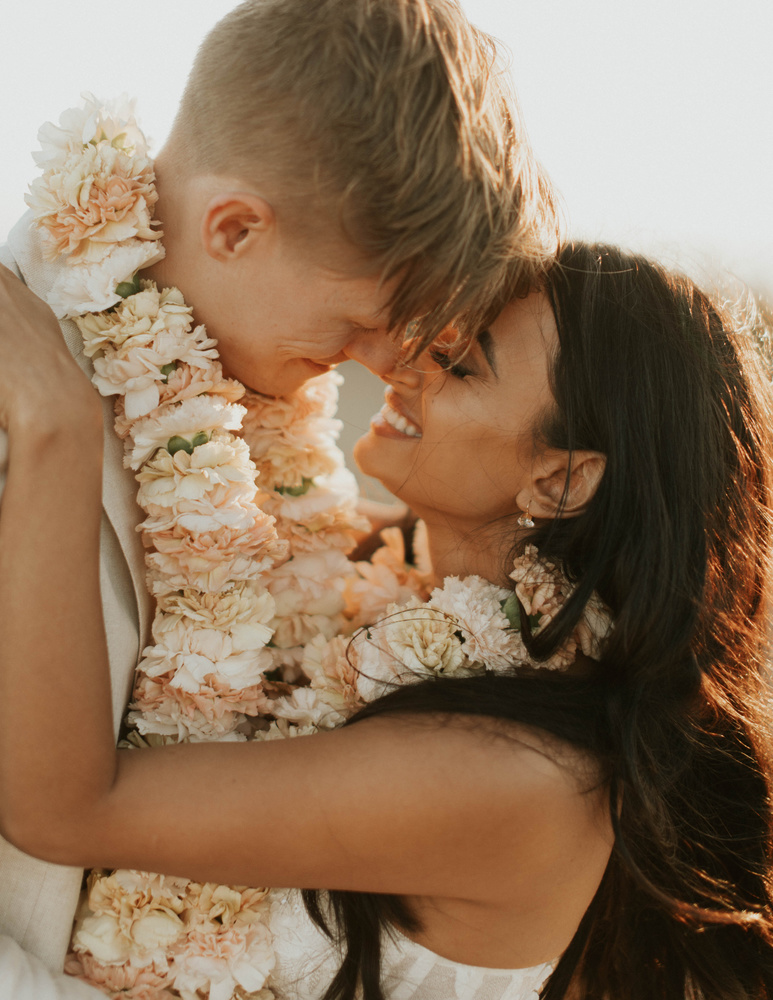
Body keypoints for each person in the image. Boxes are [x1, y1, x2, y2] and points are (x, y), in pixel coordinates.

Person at [1, 240, 772, 1000]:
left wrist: (55, 422)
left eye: (460, 364)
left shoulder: (517, 776)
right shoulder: (394, 577)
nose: (406, 365)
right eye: (436, 335)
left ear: (560, 479)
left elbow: (65, 811)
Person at [0, 0, 556, 981]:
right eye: (364, 319)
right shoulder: (26, 389)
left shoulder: (246, 407)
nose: (384, 365)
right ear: (234, 226)